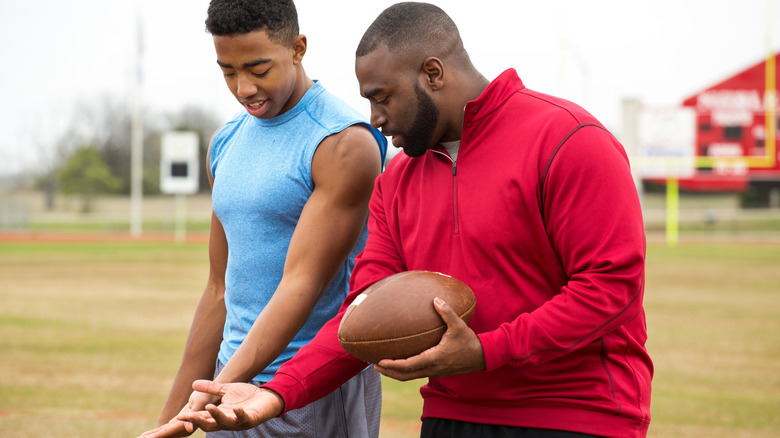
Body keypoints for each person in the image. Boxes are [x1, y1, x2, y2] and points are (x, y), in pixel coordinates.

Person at [173, 2, 654, 438]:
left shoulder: (570, 140)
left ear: (433, 73)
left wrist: (488, 350)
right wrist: (278, 393)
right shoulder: (395, 181)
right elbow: (358, 315)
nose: (374, 118)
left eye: (383, 98)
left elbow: (610, 287)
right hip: (451, 415)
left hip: (579, 414)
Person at [139, 0, 387, 437]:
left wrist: (221, 384)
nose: (243, 87)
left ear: (298, 48)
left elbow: (301, 283)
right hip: (230, 384)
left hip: (311, 387)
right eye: (228, 71)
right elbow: (219, 289)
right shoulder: (226, 142)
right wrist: (175, 413)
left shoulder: (344, 143)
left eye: (258, 68)